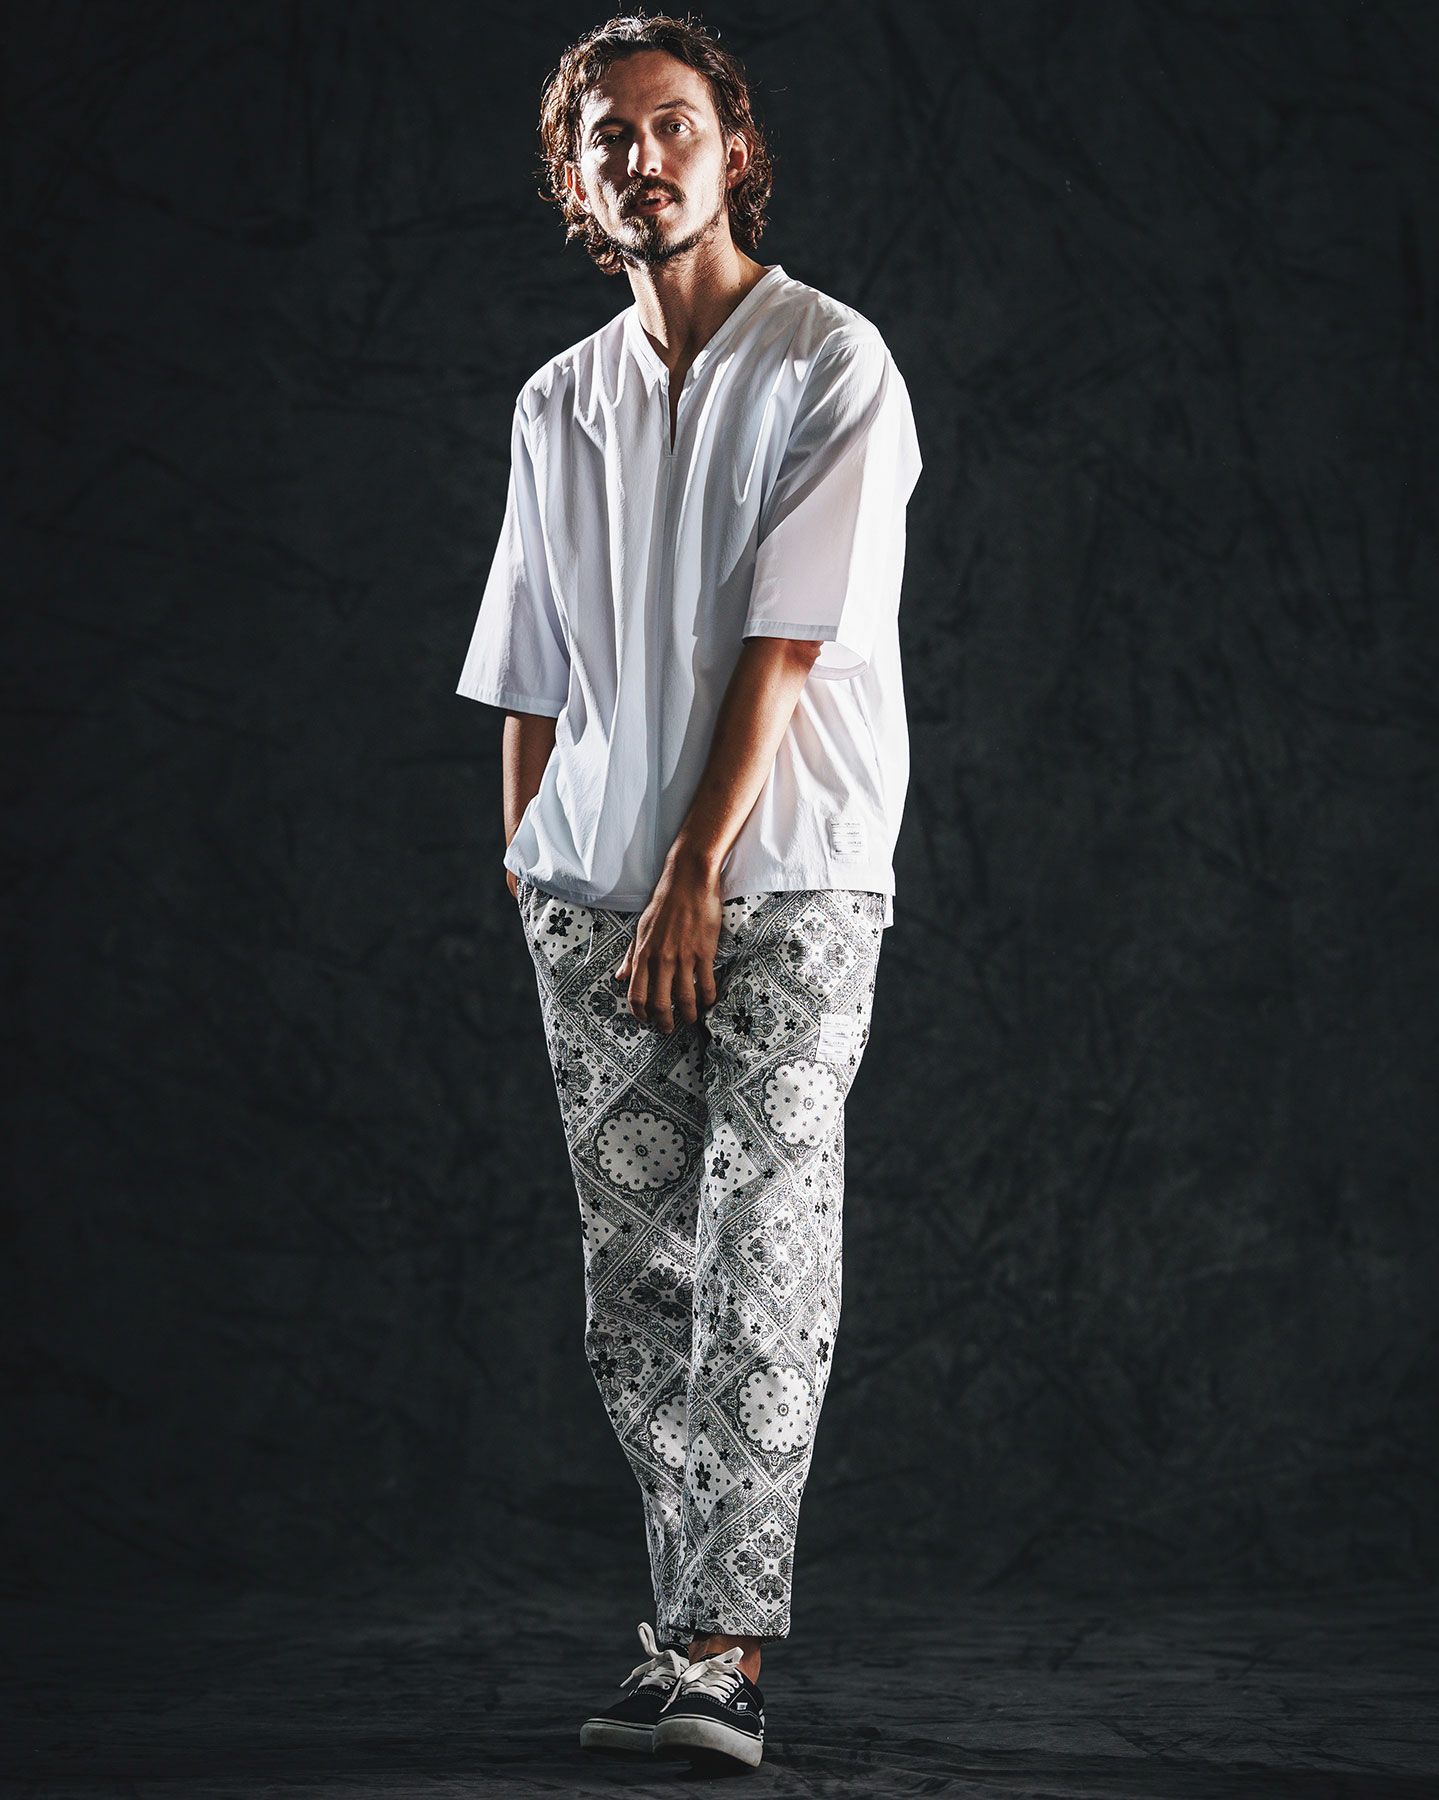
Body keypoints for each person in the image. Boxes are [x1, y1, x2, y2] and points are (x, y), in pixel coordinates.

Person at [455, 11, 922, 1773]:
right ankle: (680, 1638)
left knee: (763, 1246)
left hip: (783, 880)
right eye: (607, 138)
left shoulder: (831, 360)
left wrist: (696, 867)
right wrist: (534, 866)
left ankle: (725, 1648)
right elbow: (526, 666)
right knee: (638, 1283)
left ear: (734, 149)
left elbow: (787, 640)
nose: (641, 157)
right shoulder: (555, 400)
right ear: (572, 181)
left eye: (672, 125)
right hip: (596, 898)